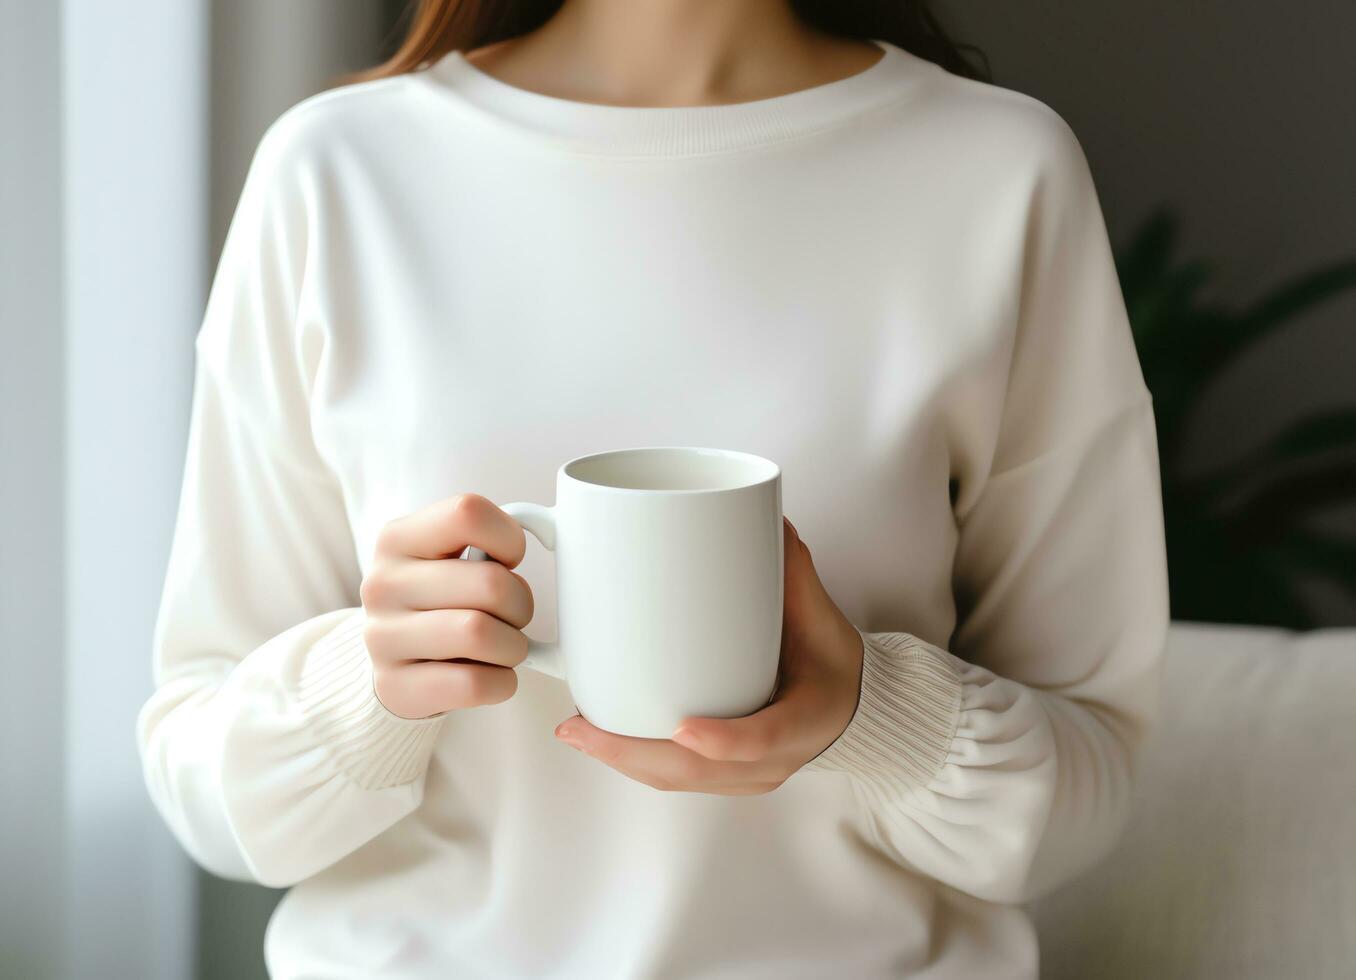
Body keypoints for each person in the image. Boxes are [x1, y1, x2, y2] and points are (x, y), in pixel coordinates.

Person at [138, 1, 1169, 976]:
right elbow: (203, 784)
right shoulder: (335, 173)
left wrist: (871, 712)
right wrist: (370, 687)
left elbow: (1093, 779)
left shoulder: (999, 173)